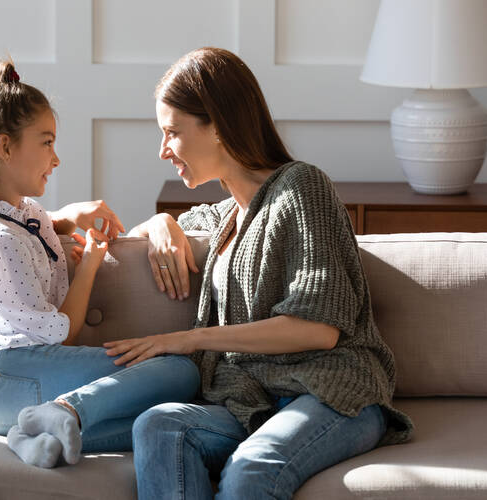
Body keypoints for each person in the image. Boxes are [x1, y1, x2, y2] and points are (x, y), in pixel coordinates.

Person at [105, 47, 414, 499]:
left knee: (251, 470)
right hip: (253, 400)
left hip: (331, 393)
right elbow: (151, 230)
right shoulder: (226, 215)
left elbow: (318, 330)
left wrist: (188, 339)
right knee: (160, 425)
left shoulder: (303, 187)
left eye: (172, 132)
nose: (163, 150)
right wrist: (160, 222)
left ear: (216, 124)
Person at [0, 60, 200, 469]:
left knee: (171, 423)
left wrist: (67, 217)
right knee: (180, 373)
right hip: (6, 377)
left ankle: (35, 433)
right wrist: (91, 264)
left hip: (3, 396)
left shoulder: (16, 219)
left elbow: (35, 227)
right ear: (5, 147)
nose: (56, 158)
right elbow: (60, 334)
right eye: (46, 143)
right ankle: (56, 415)